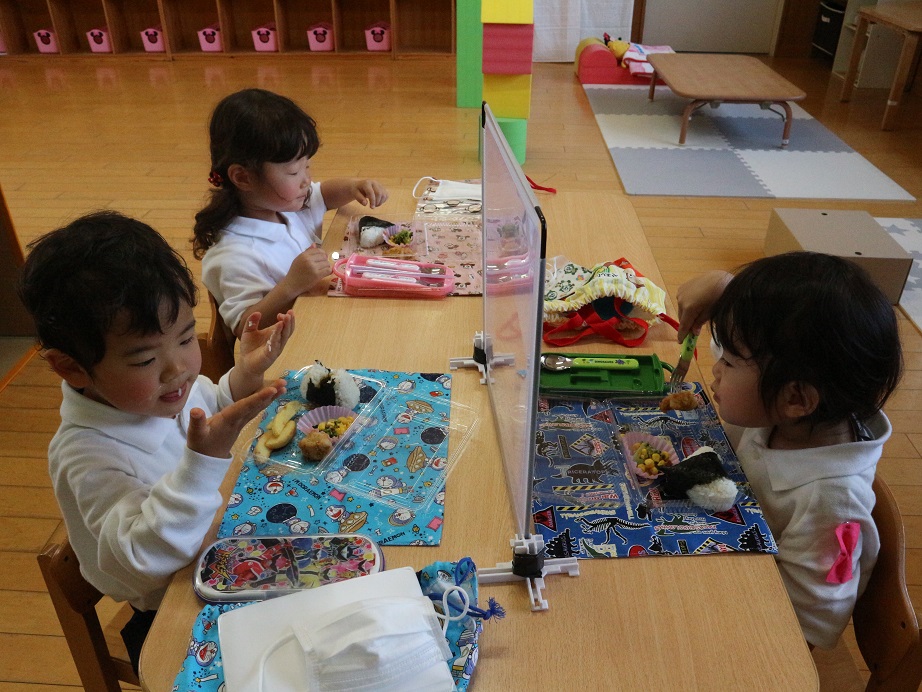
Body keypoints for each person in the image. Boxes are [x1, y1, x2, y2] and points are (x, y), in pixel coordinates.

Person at [18, 211, 295, 673]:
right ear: (71, 367)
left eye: (185, 338)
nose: (179, 369)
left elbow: (214, 406)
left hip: (230, 557)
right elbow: (141, 562)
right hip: (175, 614)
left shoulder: (163, 394)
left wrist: (244, 375)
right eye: (145, 359)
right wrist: (202, 463)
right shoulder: (86, 456)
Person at [676, 251, 903, 649]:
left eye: (728, 362)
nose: (714, 367)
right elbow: (754, 357)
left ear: (796, 399)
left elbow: (809, 625)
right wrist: (723, 287)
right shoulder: (787, 405)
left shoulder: (832, 503)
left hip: (753, 631)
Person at [192, 88, 389, 337]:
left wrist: (353, 187)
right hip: (292, 348)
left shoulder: (285, 204)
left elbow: (323, 194)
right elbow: (245, 328)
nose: (306, 180)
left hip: (320, 319)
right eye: (294, 172)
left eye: (307, 166)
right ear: (243, 177)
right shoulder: (234, 255)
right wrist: (290, 286)